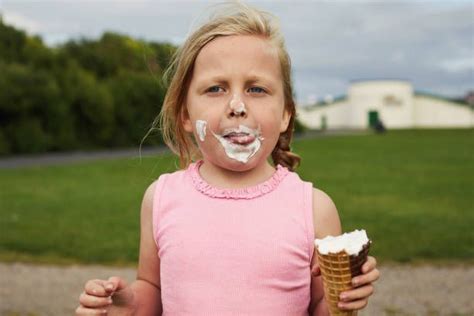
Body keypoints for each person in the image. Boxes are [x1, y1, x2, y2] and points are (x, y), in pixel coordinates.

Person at [76, 3, 379, 315]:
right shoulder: (161, 198)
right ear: (185, 115)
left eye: (257, 89)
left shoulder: (314, 208)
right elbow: (152, 288)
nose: (237, 105)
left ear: (287, 113)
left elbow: (320, 305)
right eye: (216, 88)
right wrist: (128, 306)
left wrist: (343, 298)